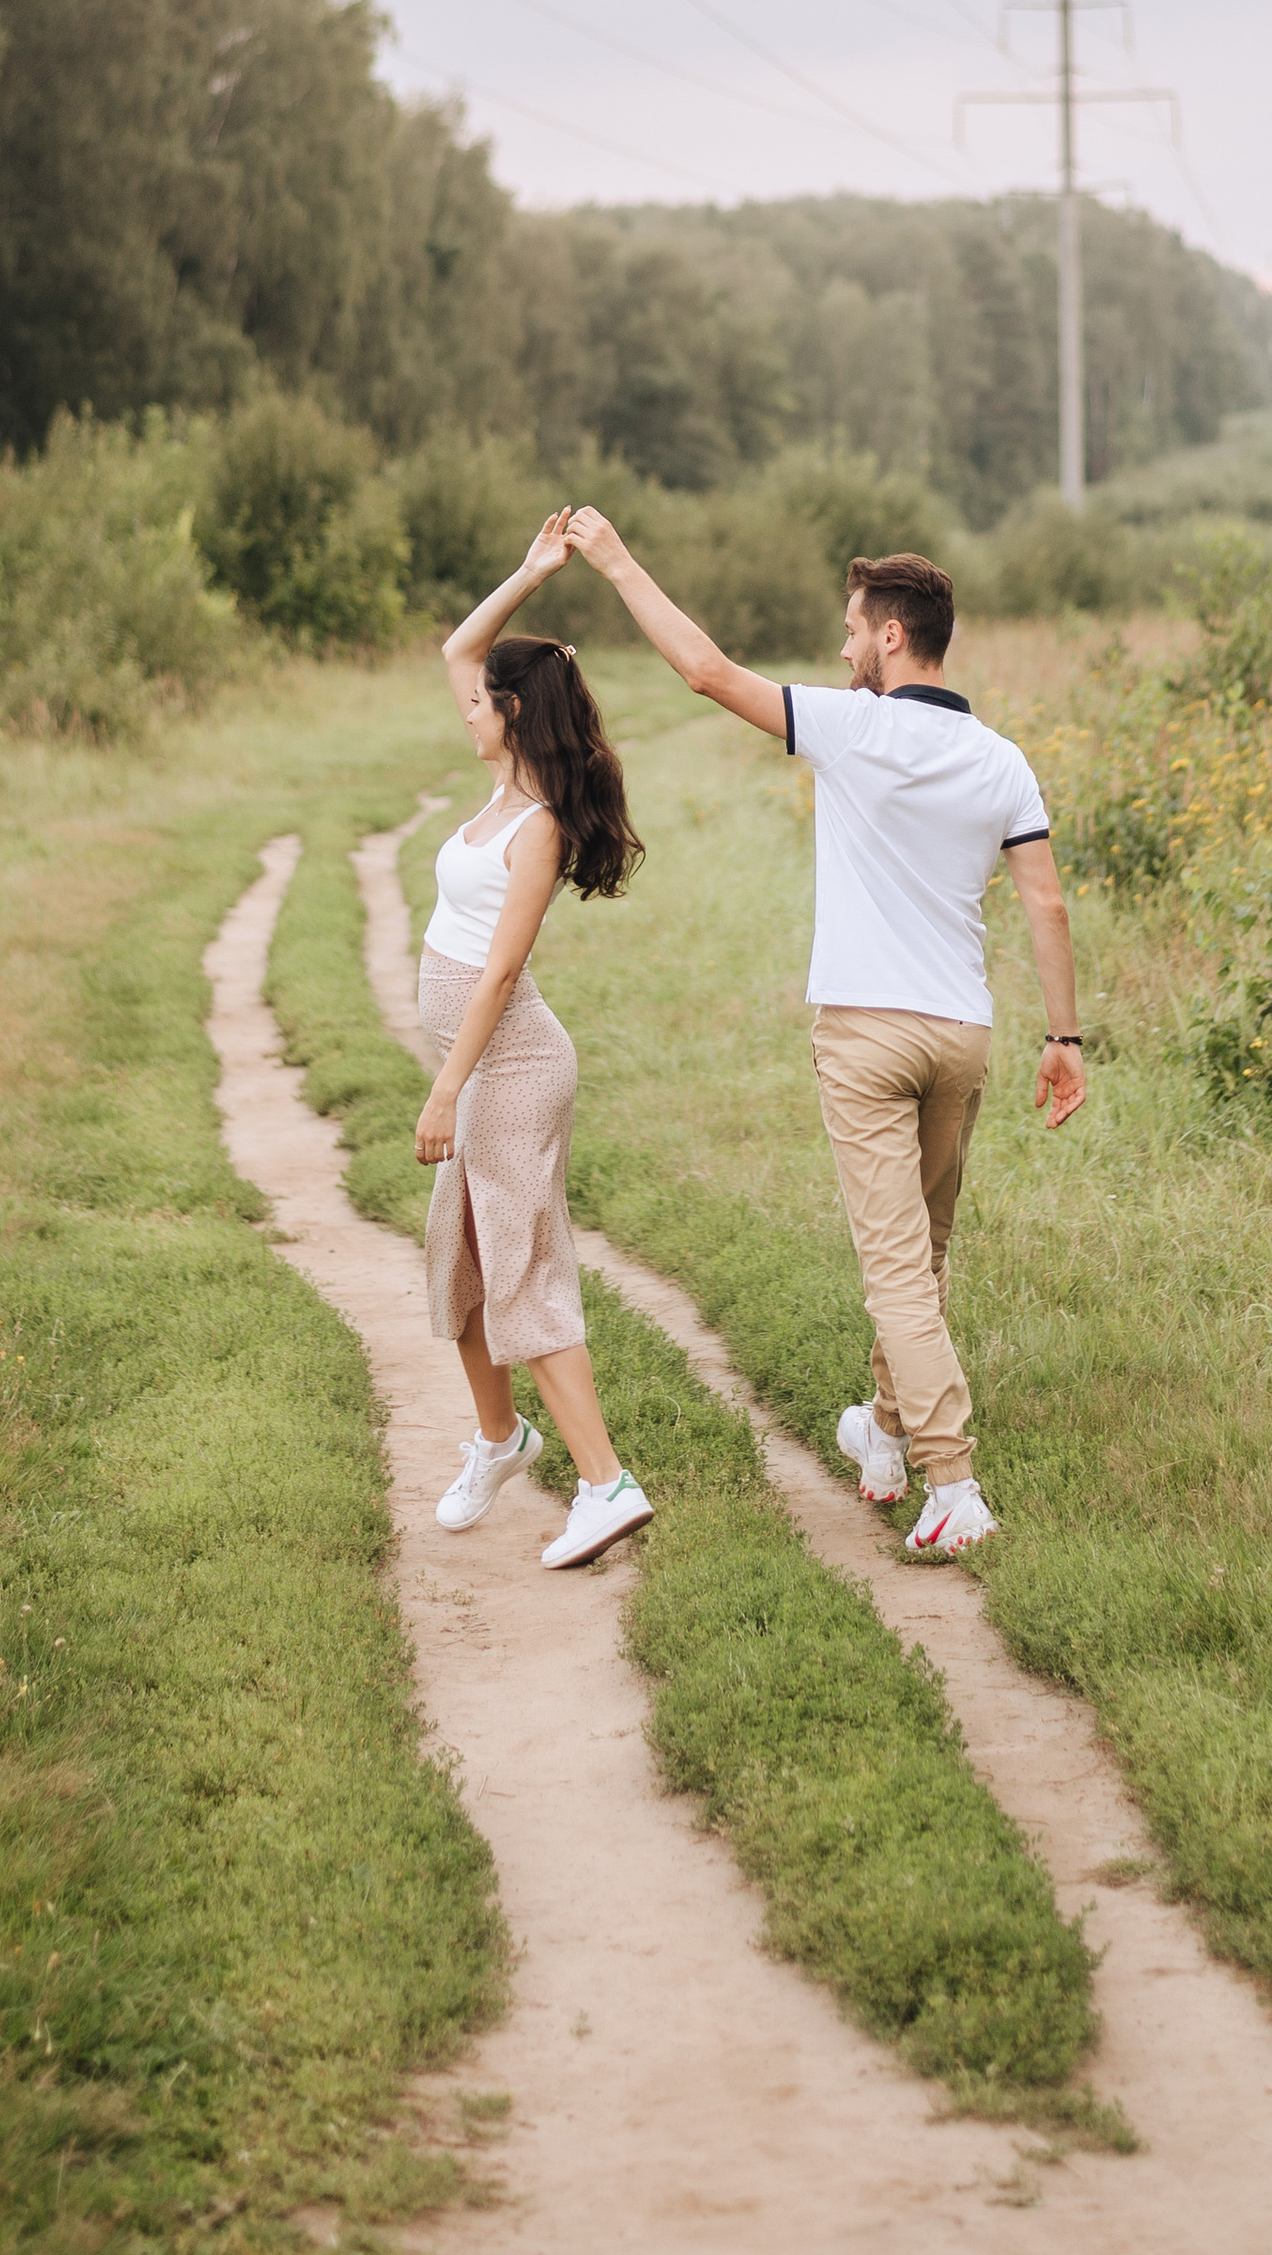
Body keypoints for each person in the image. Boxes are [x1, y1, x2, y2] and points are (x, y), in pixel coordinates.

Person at [562, 517, 1084, 1554]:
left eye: (852, 630)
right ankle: (883, 1433)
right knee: (923, 1256)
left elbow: (706, 671)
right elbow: (1047, 905)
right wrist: (1064, 1037)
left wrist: (615, 558)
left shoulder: (852, 726)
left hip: (865, 1035)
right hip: (963, 1035)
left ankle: (954, 1484)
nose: (842, 648)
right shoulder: (1003, 759)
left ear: (892, 635)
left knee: (895, 1269)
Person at [417, 512, 653, 1573]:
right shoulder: (500, 792)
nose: (467, 706)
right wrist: (528, 571)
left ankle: (605, 1484)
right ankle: (500, 1437)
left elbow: (501, 973)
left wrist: (445, 1089)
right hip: (483, 1071)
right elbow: (458, 647)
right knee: (463, 1261)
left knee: (519, 1271)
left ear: (512, 712)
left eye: (484, 702)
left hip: (509, 1068)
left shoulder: (540, 824)